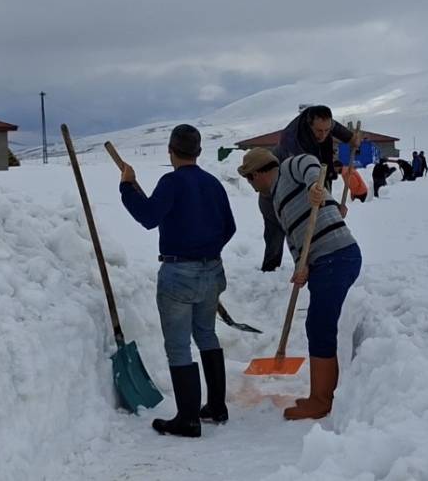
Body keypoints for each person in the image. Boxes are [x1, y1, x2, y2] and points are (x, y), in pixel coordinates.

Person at [118, 124, 236, 438]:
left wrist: (127, 187)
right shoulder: (212, 183)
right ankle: (217, 407)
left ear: (170, 151)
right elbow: (230, 227)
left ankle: (188, 419)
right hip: (212, 270)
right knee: (207, 334)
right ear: (199, 151)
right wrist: (208, 251)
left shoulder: (171, 182)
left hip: (179, 273)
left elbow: (148, 217)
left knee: (179, 346)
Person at [239, 148, 362, 420]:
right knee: (317, 325)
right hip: (322, 261)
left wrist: (314, 187)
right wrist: (300, 265)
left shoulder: (289, 168)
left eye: (249, 178)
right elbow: (295, 238)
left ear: (257, 173)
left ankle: (321, 401)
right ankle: (320, 396)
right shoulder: (277, 202)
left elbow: (311, 164)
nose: (250, 184)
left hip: (337, 254)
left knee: (320, 326)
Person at [257, 105, 355, 272]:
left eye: (326, 130)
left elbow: (335, 127)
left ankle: (319, 263)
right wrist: (333, 206)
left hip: (310, 179)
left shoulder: (320, 123)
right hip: (277, 191)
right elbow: (309, 179)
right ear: (309, 125)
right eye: (319, 131)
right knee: (279, 231)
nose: (323, 135)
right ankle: (270, 271)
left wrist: (350, 138)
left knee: (316, 221)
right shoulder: (293, 143)